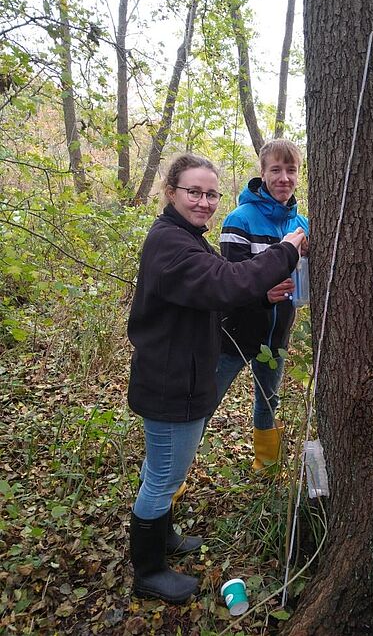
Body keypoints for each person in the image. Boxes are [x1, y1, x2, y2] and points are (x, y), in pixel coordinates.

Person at [127, 153, 305, 604]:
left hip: (176, 374)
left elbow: (215, 292)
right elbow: (225, 283)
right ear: (171, 193)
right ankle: (148, 571)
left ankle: (163, 537)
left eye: (210, 194)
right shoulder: (172, 244)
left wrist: (262, 295)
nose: (204, 202)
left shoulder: (184, 236)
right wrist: (287, 251)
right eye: (194, 192)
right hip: (172, 382)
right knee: (165, 476)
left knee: (162, 469)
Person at [214, 139, 308, 471]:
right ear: (263, 173)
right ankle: (170, 481)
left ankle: (266, 465)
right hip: (235, 336)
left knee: (268, 400)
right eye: (276, 170)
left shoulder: (302, 223)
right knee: (204, 402)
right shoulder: (240, 220)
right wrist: (262, 294)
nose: (284, 178)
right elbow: (229, 283)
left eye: (291, 170)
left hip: (277, 337)